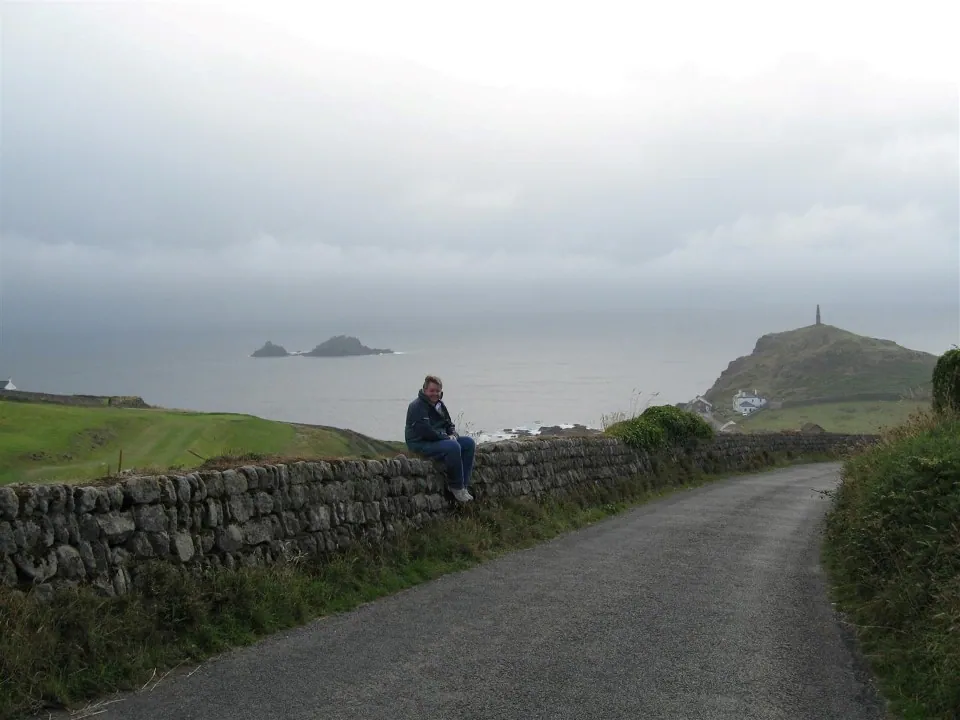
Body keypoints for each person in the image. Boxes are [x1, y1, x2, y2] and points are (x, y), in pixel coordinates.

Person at [404, 375, 476, 503]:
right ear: (425, 390)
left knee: (469, 443)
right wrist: (447, 438)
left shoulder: (439, 405)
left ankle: (463, 486)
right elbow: (426, 431)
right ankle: (455, 487)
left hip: (438, 441)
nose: (435, 394)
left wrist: (453, 434)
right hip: (420, 443)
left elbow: (449, 424)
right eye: (432, 390)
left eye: (438, 391)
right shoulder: (417, 406)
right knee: (453, 446)